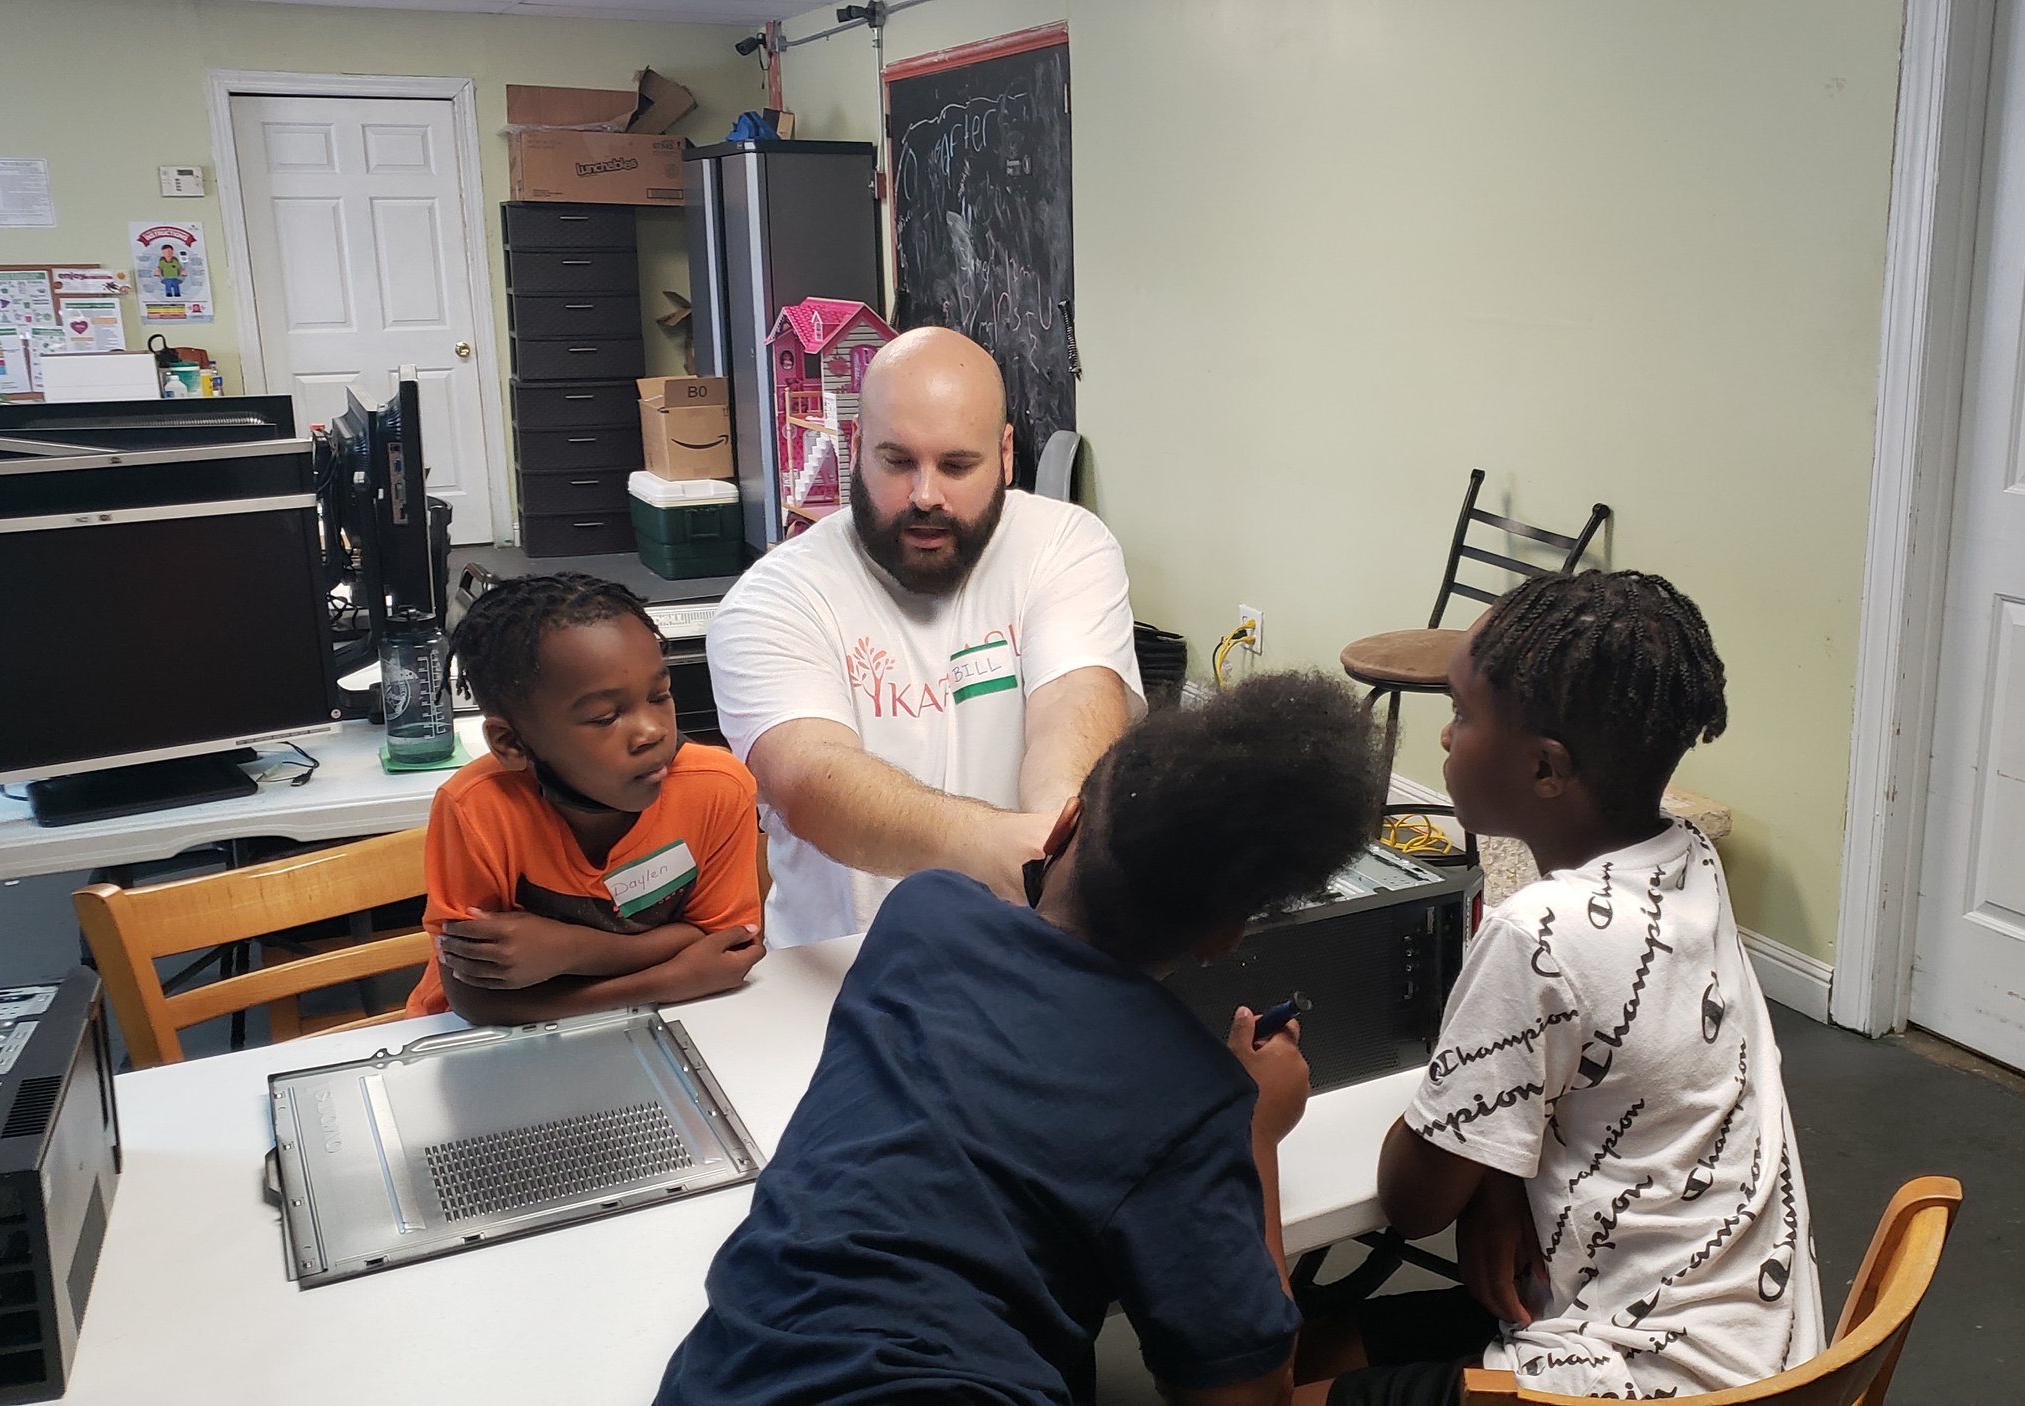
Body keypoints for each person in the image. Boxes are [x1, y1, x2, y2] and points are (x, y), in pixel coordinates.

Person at [654, 673, 1387, 1406]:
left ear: (1064, 825)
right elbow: (1248, 1399)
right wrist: (1254, 1134)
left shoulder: (923, 913)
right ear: (1224, 939)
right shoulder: (1192, 1100)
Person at [1306, 570, 1823, 1403]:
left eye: (1464, 716)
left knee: (1261, 1386)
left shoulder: (1537, 932)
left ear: (1547, 768)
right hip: (1758, 1350)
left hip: (1632, 1374)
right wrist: (1503, 1174)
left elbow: (1412, 1203)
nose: (1444, 738)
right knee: (1326, 1347)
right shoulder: (1688, 860)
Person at [707, 325, 1143, 946]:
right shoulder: (775, 599)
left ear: (1007, 454)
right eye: (898, 461)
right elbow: (811, 780)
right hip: (840, 983)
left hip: (1020, 958)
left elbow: (1075, 704)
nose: (926, 496)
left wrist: (1056, 838)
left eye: (958, 465)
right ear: (857, 447)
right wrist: (1017, 854)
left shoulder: (1064, 545)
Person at [402, 573, 765, 1024]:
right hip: (481, 1042)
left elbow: (725, 943)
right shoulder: (477, 809)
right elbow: (477, 999)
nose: (652, 731)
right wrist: (667, 976)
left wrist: (568, 951)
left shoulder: (716, 787)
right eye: (605, 717)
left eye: (660, 696)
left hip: (673, 1020)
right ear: (512, 743)